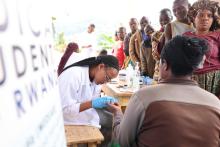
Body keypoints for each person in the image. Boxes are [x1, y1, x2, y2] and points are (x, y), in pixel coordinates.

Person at [108, 36, 220, 147]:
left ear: (165, 65)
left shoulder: (144, 97)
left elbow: (123, 140)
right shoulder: (215, 103)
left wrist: (117, 114)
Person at [58, 55, 119, 145]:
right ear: (101, 67)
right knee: (109, 123)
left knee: (113, 120)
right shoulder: (73, 75)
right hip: (67, 119)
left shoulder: (96, 79)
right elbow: (64, 110)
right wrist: (92, 103)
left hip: (83, 114)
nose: (106, 82)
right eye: (107, 78)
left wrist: (107, 103)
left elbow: (92, 100)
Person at [184, 0, 220, 98]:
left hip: (215, 84)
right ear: (193, 17)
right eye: (201, 15)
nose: (205, 18)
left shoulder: (218, 35)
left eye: (209, 15)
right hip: (190, 82)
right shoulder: (185, 37)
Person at [151, 8, 173, 80]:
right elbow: (156, 55)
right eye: (161, 20)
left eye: (166, 19)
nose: (163, 22)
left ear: (172, 18)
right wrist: (165, 33)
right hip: (159, 71)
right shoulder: (155, 35)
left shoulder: (176, 31)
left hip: (174, 71)